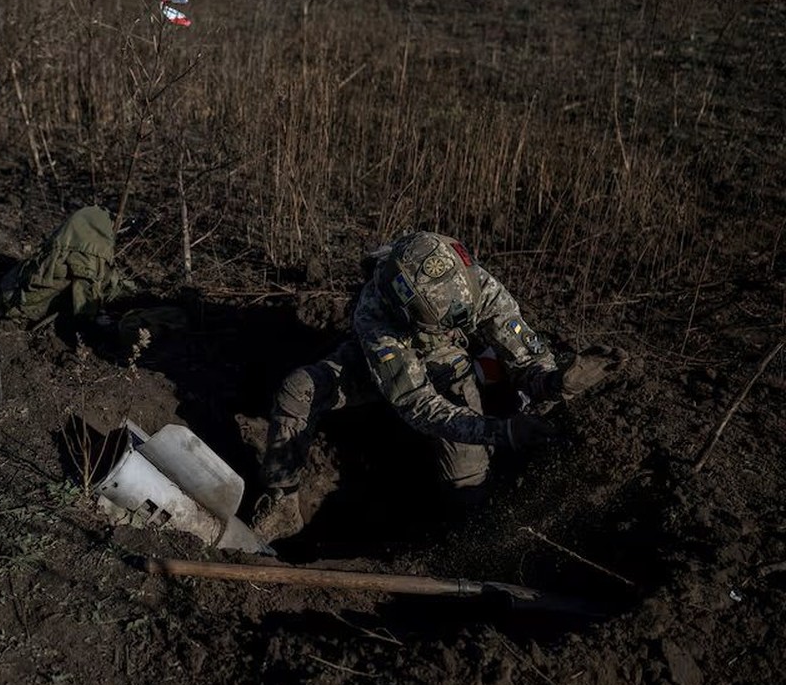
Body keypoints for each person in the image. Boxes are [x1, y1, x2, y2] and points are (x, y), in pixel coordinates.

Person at [251, 231, 626, 543]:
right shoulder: (376, 313)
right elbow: (418, 404)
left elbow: (523, 357)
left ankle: (468, 540)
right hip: (388, 360)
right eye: (442, 323)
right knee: (299, 388)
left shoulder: (478, 288)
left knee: (467, 486)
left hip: (449, 361)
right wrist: (502, 431)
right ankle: (283, 502)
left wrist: (557, 382)